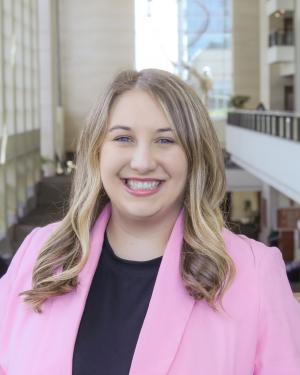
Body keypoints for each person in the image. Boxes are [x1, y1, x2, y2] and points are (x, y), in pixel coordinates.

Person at [0, 69, 300, 375]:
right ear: (97, 152)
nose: (142, 162)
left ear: (194, 157)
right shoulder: (39, 254)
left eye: (165, 140)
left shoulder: (253, 273)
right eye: (123, 138)